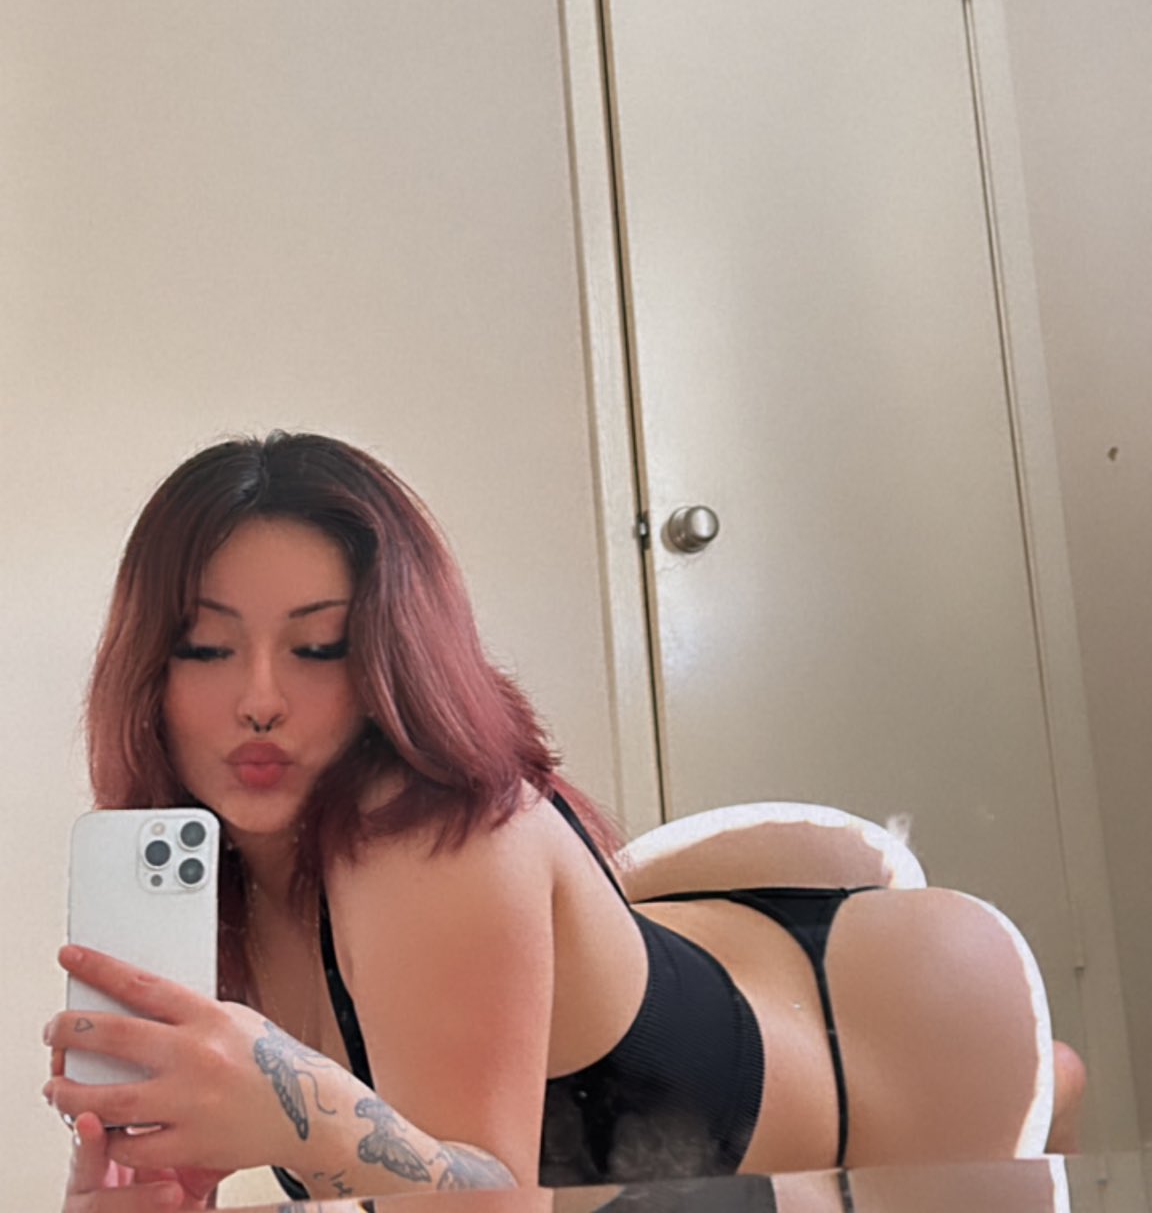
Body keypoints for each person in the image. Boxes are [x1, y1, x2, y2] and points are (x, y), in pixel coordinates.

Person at [44, 432, 1086, 1211]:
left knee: (1045, 1113)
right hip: (685, 968)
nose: (260, 699)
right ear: (150, 666)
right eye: (206, 647)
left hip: (894, 1032)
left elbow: (484, 1200)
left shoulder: (418, 837)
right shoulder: (211, 877)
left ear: (389, 662)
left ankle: (1059, 1081)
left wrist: (298, 1114)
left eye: (320, 647)